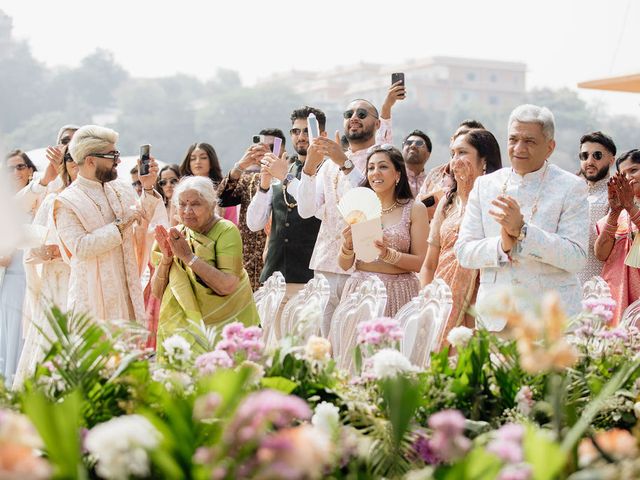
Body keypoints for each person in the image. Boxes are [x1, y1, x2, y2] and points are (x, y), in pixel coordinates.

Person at [454, 105, 588, 329]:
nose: (519, 148)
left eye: (530, 141)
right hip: (496, 319)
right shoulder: (485, 186)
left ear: (550, 147)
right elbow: (464, 252)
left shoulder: (571, 187)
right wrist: (502, 246)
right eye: (513, 139)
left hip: (549, 320)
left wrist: (523, 232)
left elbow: (576, 257)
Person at [297, 84, 403, 334]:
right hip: (325, 263)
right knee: (323, 341)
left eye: (362, 114)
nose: (354, 118)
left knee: (356, 340)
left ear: (378, 125)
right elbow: (305, 210)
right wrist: (309, 169)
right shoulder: (329, 162)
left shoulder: (381, 159)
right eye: (348, 114)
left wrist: (343, 162)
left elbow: (373, 199)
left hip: (363, 267)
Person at [54, 125, 164, 324]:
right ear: (90, 160)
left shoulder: (120, 187)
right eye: (113, 155)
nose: (119, 161)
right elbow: (80, 247)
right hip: (93, 298)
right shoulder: (67, 201)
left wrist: (147, 186)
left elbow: (143, 218)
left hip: (128, 288)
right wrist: (122, 223)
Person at [419, 130, 502, 346]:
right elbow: (429, 264)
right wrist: (426, 302)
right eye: (452, 153)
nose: (455, 161)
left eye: (462, 152)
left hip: (479, 301)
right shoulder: (447, 203)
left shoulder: (497, 203)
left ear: (484, 160)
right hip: (441, 300)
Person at [151, 176, 259, 340]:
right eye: (182, 204)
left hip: (228, 327)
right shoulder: (178, 234)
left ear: (212, 205)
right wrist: (167, 259)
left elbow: (227, 285)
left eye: (195, 204)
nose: (187, 211)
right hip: (188, 330)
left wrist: (188, 257)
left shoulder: (226, 230)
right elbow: (158, 292)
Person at [15, 126, 80, 386]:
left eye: (77, 140)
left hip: (84, 277)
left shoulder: (101, 184)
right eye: (65, 141)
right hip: (50, 279)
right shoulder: (48, 184)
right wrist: (45, 180)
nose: (70, 145)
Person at [246, 107, 324, 312]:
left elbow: (313, 208)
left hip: (311, 280)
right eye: (296, 131)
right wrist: (264, 183)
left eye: (307, 131)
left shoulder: (327, 170)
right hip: (273, 278)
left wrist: (284, 178)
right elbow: (254, 224)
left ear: (320, 134)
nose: (301, 136)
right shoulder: (283, 170)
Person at [338, 145, 428, 317]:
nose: (375, 172)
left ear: (398, 174)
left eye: (383, 166)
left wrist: (387, 254)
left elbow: (420, 262)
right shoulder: (360, 207)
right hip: (360, 292)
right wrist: (347, 247)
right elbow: (344, 264)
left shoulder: (414, 209)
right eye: (371, 168)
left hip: (399, 293)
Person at [218, 130, 286, 290]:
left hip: (278, 264)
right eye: (261, 147)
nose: (265, 151)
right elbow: (221, 199)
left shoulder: (290, 178)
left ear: (282, 150)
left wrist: (274, 167)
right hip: (247, 264)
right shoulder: (249, 180)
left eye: (271, 147)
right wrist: (241, 165)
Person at [0, 150, 40, 383]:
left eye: (20, 167)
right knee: (13, 335)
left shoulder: (42, 201)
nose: (15, 172)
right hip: (13, 279)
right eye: (9, 169)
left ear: (30, 170)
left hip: (39, 277)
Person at [594, 150, 640, 325]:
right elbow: (601, 254)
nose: (628, 177)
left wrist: (630, 207)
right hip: (617, 295)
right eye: (623, 174)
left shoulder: (629, 208)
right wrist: (614, 212)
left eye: (633, 170)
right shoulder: (618, 215)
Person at [418, 119, 485, 219]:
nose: (462, 140)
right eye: (458, 136)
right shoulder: (435, 174)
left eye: (470, 138)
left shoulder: (485, 180)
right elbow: (417, 207)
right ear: (452, 140)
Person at [576, 132, 616, 286]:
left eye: (597, 155)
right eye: (584, 156)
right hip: (570, 286)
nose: (589, 161)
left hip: (603, 289)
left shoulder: (616, 197)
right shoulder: (573, 194)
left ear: (611, 160)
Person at [402, 129, 432, 198]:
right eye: (408, 143)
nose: (413, 146)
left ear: (428, 154)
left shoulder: (432, 184)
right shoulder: (394, 178)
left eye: (419, 143)